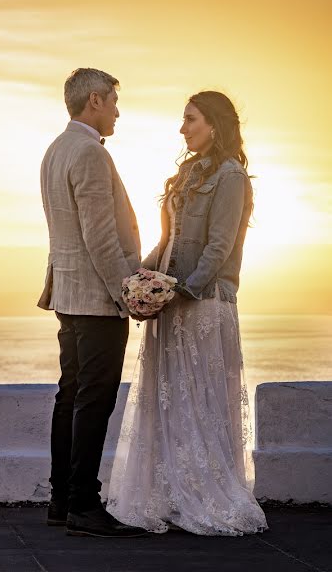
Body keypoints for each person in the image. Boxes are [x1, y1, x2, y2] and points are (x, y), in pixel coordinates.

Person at [106, 91, 268, 535]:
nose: (183, 129)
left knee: (200, 398)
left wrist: (184, 290)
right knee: (172, 397)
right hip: (173, 300)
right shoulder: (187, 174)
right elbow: (170, 240)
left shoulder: (232, 177)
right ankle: (173, 493)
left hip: (205, 301)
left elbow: (220, 245)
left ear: (214, 124)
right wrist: (142, 278)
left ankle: (209, 492)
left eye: (191, 120)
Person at [38, 68, 147, 538]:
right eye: (115, 102)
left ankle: (61, 500)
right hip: (97, 298)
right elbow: (100, 238)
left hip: (68, 293)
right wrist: (128, 292)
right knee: (94, 400)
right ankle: (84, 503)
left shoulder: (56, 149)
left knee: (71, 395)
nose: (119, 111)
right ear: (96, 100)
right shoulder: (88, 153)